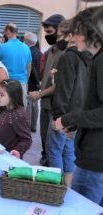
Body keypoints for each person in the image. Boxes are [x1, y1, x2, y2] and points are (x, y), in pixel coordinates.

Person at [55, 6, 103, 206]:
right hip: (93, 155)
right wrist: (75, 124)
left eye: (77, 33)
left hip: (95, 159)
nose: (73, 38)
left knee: (80, 208)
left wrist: (68, 118)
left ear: (92, 32)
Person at [47, 19, 93, 185]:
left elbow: (64, 90)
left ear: (71, 36)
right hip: (78, 114)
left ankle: (56, 188)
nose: (58, 40)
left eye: (60, 36)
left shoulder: (69, 57)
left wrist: (58, 117)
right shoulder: (89, 57)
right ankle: (67, 188)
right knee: (68, 152)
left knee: (54, 151)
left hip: (65, 114)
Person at [28, 14, 65, 166]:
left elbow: (61, 84)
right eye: (46, 32)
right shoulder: (51, 51)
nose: (47, 35)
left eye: (50, 32)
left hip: (57, 107)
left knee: (55, 148)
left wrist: (40, 93)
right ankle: (45, 163)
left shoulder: (66, 54)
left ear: (60, 30)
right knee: (44, 139)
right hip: (45, 103)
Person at [0, 79, 32, 159]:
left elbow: (26, 139)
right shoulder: (3, 109)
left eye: (2, 95)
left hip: (10, 158)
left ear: (13, 96)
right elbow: (1, 133)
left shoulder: (18, 115)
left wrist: (18, 150)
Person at [0, 23, 32, 107]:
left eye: (4, 31)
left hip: (7, 84)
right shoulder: (26, 47)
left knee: (6, 112)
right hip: (22, 84)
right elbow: (29, 66)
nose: (4, 34)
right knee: (21, 112)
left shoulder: (2, 47)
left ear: (8, 31)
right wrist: (25, 80)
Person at [23, 32, 42, 133]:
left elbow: (30, 69)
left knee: (29, 105)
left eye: (24, 39)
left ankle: (28, 126)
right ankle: (34, 126)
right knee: (35, 105)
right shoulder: (39, 52)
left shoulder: (27, 52)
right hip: (38, 82)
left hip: (30, 81)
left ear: (27, 41)